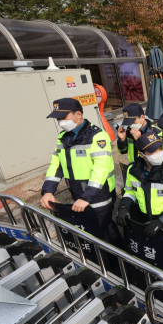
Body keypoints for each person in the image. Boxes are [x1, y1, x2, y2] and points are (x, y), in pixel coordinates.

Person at [116, 130, 163, 286]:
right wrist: (123, 206)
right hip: (148, 228)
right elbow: (130, 191)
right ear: (142, 154)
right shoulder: (133, 170)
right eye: (152, 150)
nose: (158, 153)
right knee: (158, 266)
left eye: (160, 148)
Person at [41, 98, 118, 243]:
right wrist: (48, 191)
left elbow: (100, 169)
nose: (60, 122)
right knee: (90, 231)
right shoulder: (63, 137)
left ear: (78, 114)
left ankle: (116, 263)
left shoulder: (97, 136)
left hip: (98, 195)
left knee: (105, 233)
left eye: (64, 117)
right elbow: (56, 165)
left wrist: (86, 197)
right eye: (58, 118)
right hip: (78, 195)